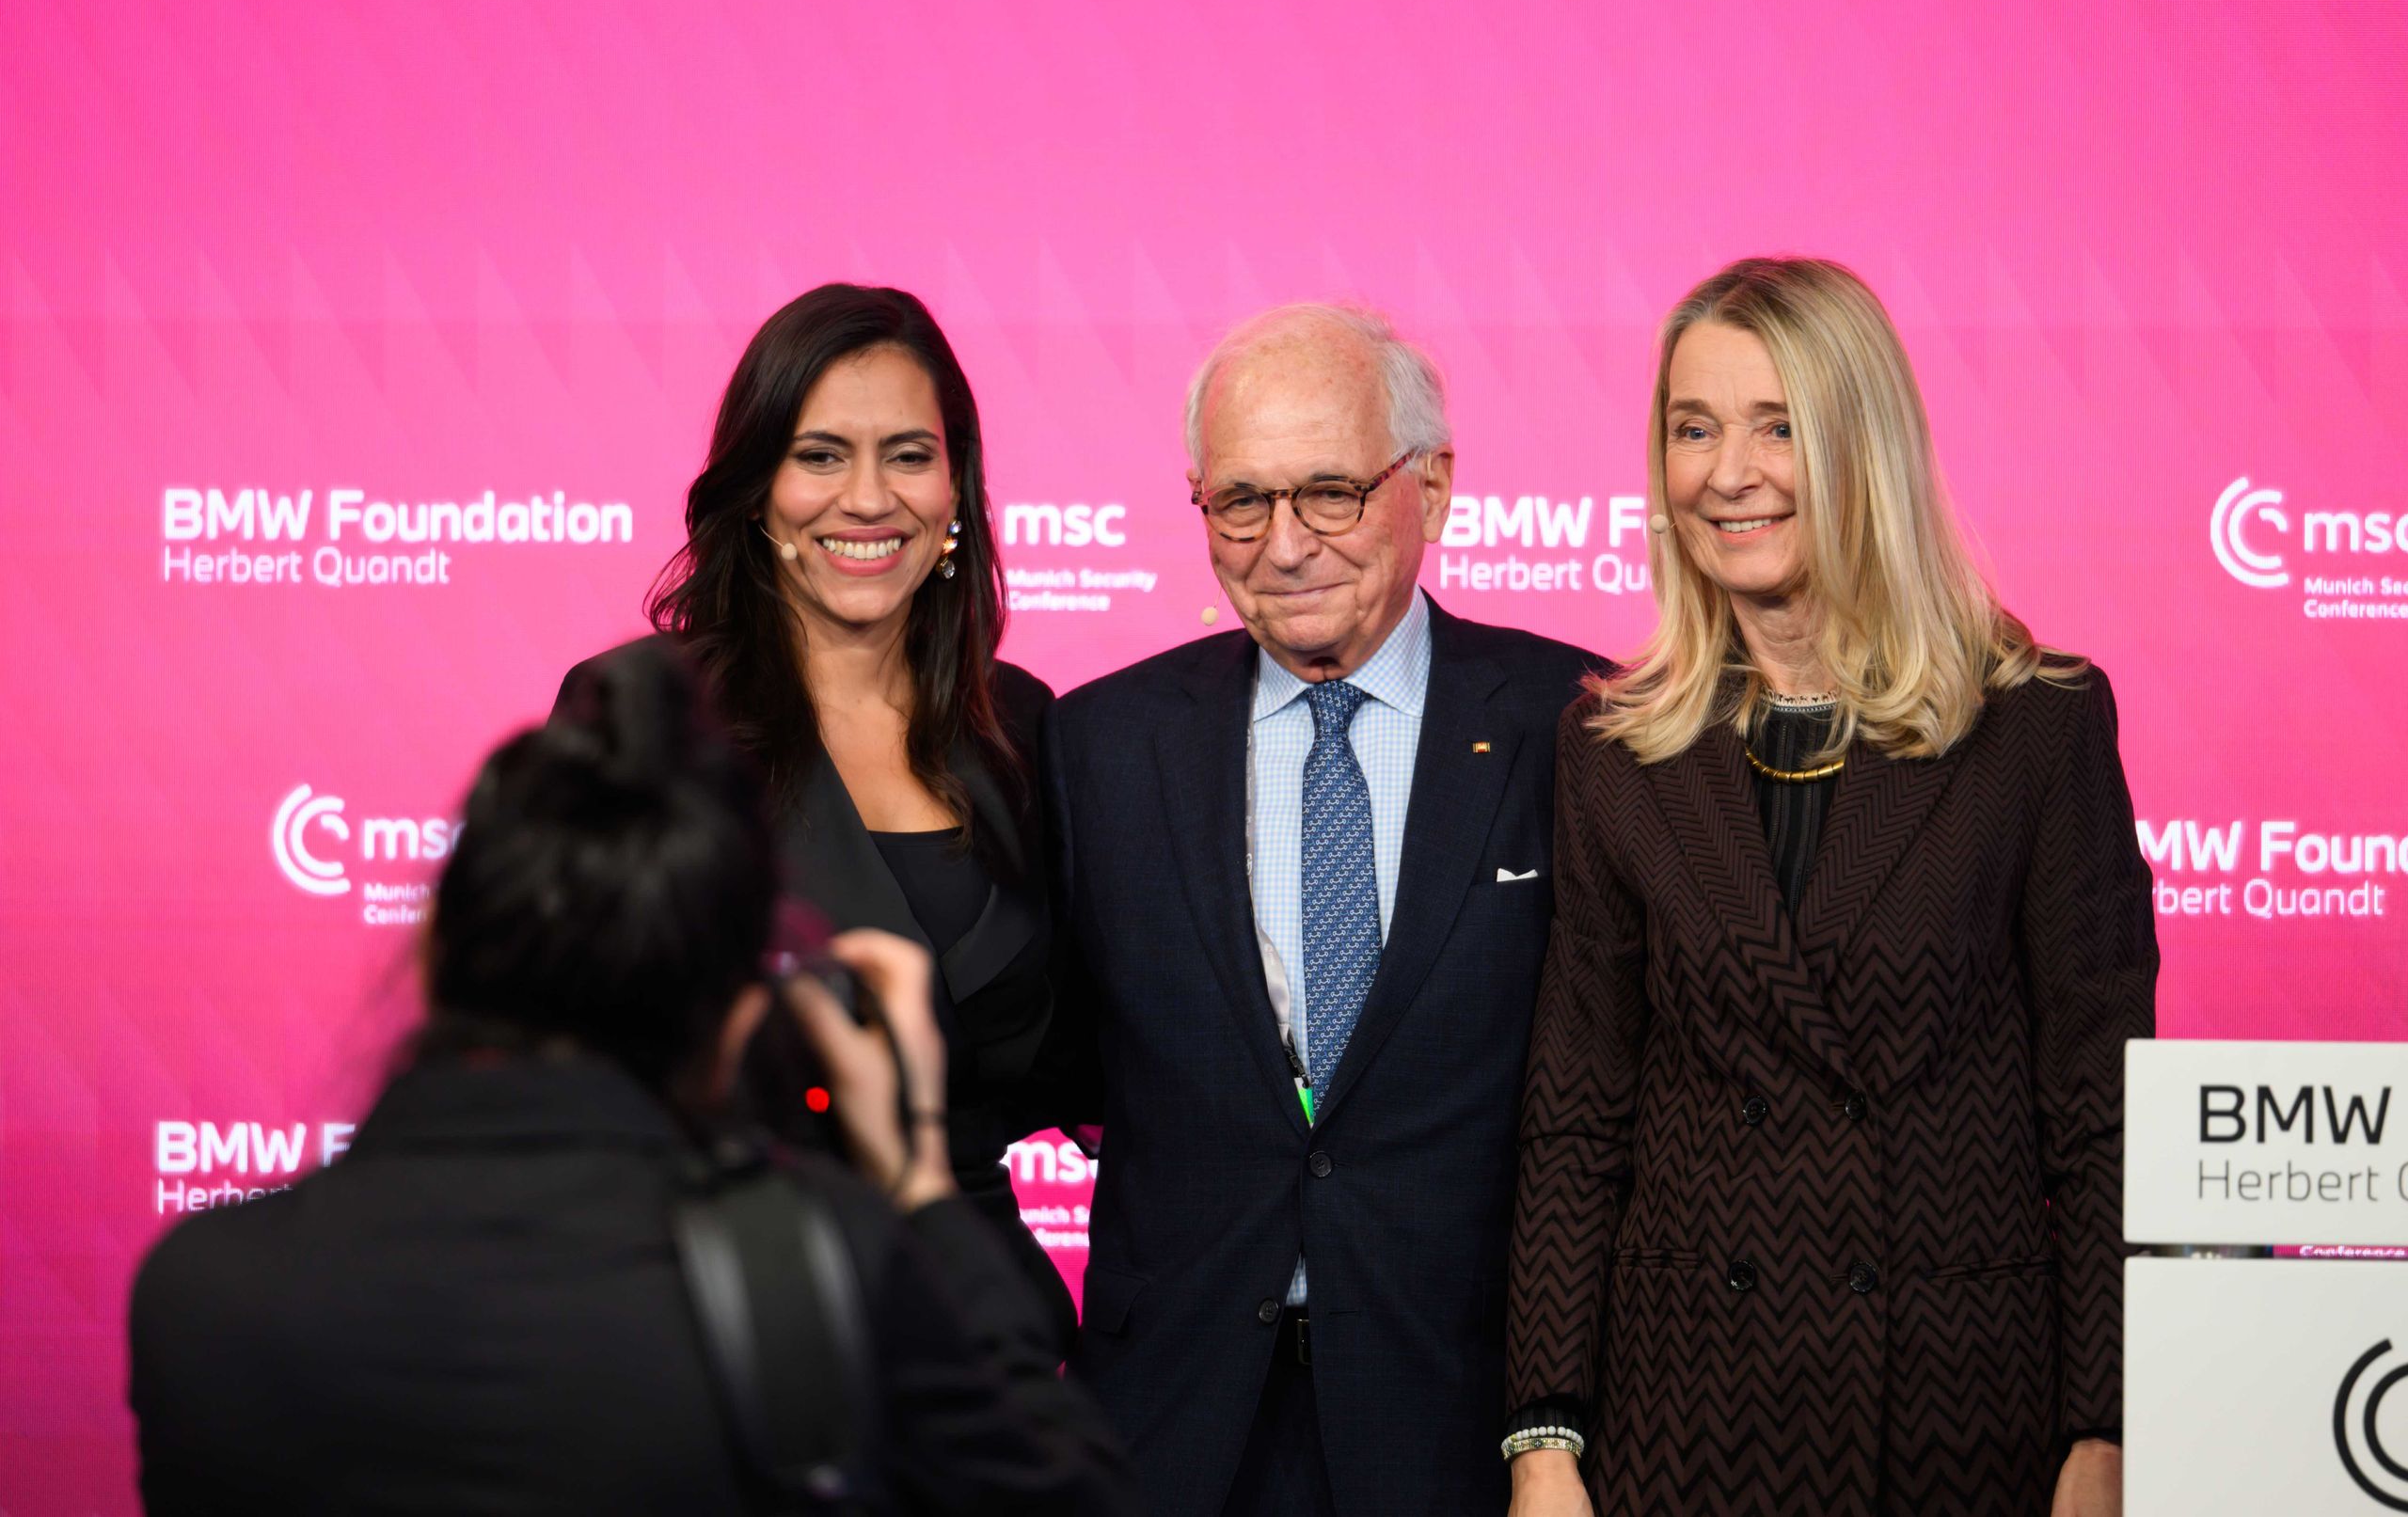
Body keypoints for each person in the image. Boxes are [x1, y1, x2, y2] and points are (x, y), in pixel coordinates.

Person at [127, 639, 1135, 1515]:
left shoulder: (201, 1289)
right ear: (739, 1013)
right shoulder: (817, 1283)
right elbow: (1057, 1487)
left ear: (434, 951)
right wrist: (916, 1185)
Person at [1506, 259, 2155, 1517]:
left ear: (1868, 448)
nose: (1726, 472)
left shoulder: (2032, 725)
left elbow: (2101, 1108)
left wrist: (2109, 1420)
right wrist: (1544, 1433)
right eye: (1693, 428)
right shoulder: (1615, 749)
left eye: (1778, 425)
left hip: (1960, 1408)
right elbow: (1581, 1114)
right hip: (1683, 1414)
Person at [1046, 304, 1598, 1516]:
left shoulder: (1585, 730)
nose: (1283, 545)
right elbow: (1059, 1067)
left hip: (1470, 1429)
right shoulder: (1097, 746)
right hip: (1168, 1436)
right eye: (1240, 501)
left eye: (1330, 493)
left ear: (1432, 487)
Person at [561, 284, 1075, 1351]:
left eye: (907, 455)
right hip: (727, 1311)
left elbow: (1098, 1048)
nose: (869, 498)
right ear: (757, 489)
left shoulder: (1022, 725)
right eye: (821, 455)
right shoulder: (642, 714)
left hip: (976, 1326)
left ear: (955, 487)